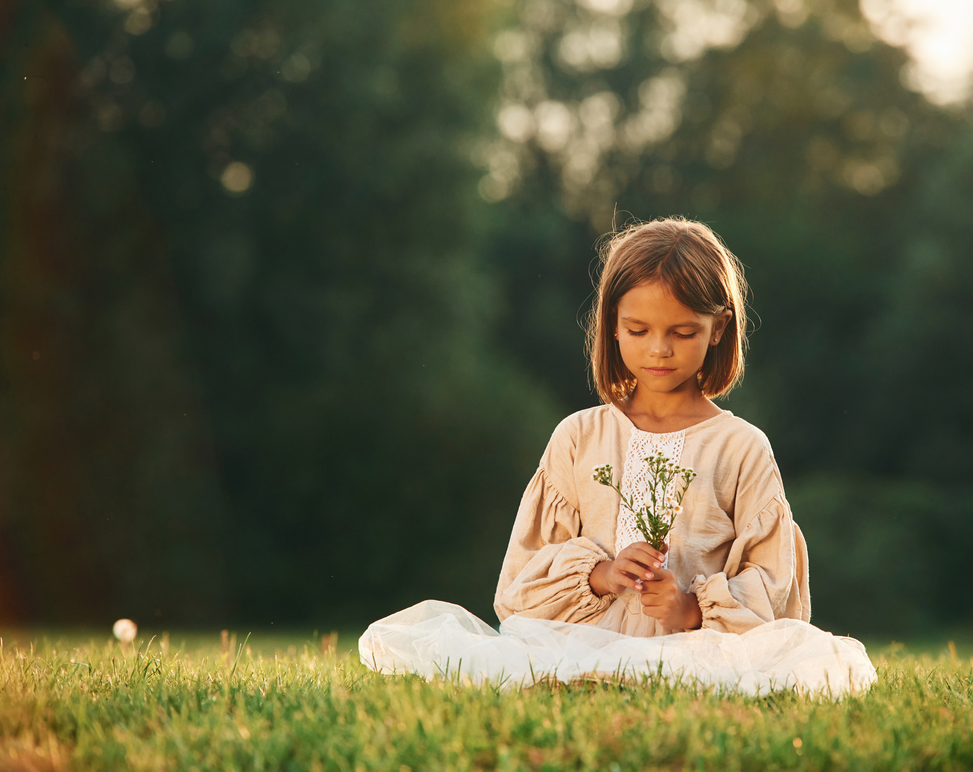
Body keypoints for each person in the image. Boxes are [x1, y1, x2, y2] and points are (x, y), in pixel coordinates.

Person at [360, 218, 875, 696]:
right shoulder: (579, 436)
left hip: (698, 651)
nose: (659, 350)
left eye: (683, 332)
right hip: (579, 642)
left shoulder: (741, 447)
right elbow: (520, 582)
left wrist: (692, 609)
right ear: (611, 324)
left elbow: (775, 587)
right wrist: (599, 574)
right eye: (638, 330)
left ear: (718, 328)